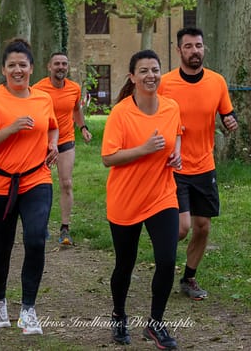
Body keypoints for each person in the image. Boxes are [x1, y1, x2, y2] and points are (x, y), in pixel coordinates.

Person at [0, 38, 59, 336]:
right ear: (3, 70)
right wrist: (10, 129)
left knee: (35, 239)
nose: (18, 70)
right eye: (12, 65)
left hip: (37, 179)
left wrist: (53, 144)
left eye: (23, 65)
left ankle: (28, 310)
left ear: (32, 68)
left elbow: (52, 125)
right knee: (3, 245)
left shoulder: (43, 98)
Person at [101, 49, 182, 349]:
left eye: (155, 70)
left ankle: (155, 323)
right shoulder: (121, 113)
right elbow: (108, 157)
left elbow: (177, 132)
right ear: (132, 77)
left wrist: (177, 151)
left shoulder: (171, 106)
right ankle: (119, 315)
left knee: (167, 259)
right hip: (126, 200)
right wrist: (145, 149)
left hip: (162, 195)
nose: (151, 75)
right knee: (125, 263)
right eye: (144, 71)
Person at [158, 27, 239, 301]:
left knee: (203, 225)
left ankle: (188, 277)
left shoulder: (217, 82)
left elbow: (227, 114)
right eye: (189, 46)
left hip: (204, 165)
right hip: (174, 165)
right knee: (181, 228)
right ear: (179, 50)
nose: (195, 51)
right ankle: (163, 264)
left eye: (199, 46)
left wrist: (230, 122)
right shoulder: (165, 83)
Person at [33, 52, 92, 246]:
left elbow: (76, 109)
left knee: (66, 183)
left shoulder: (74, 88)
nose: (61, 67)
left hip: (66, 139)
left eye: (64, 64)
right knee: (41, 186)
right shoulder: (38, 89)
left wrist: (83, 127)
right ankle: (40, 225)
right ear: (49, 67)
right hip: (43, 142)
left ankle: (65, 228)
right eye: (57, 63)